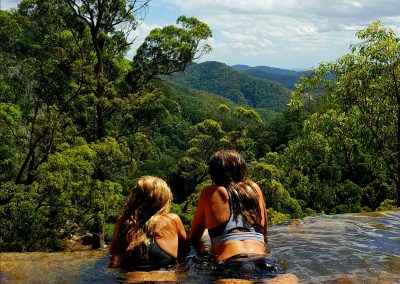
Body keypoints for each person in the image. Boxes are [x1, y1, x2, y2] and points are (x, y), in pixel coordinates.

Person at [189, 149, 283, 279]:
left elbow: (194, 237)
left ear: (214, 172)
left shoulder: (209, 192)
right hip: (263, 261)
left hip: (230, 263)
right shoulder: (254, 189)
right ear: (242, 169)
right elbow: (264, 236)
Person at [109, 175, 187, 271]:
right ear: (163, 199)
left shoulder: (122, 221)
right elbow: (185, 251)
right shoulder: (172, 220)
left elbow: (114, 257)